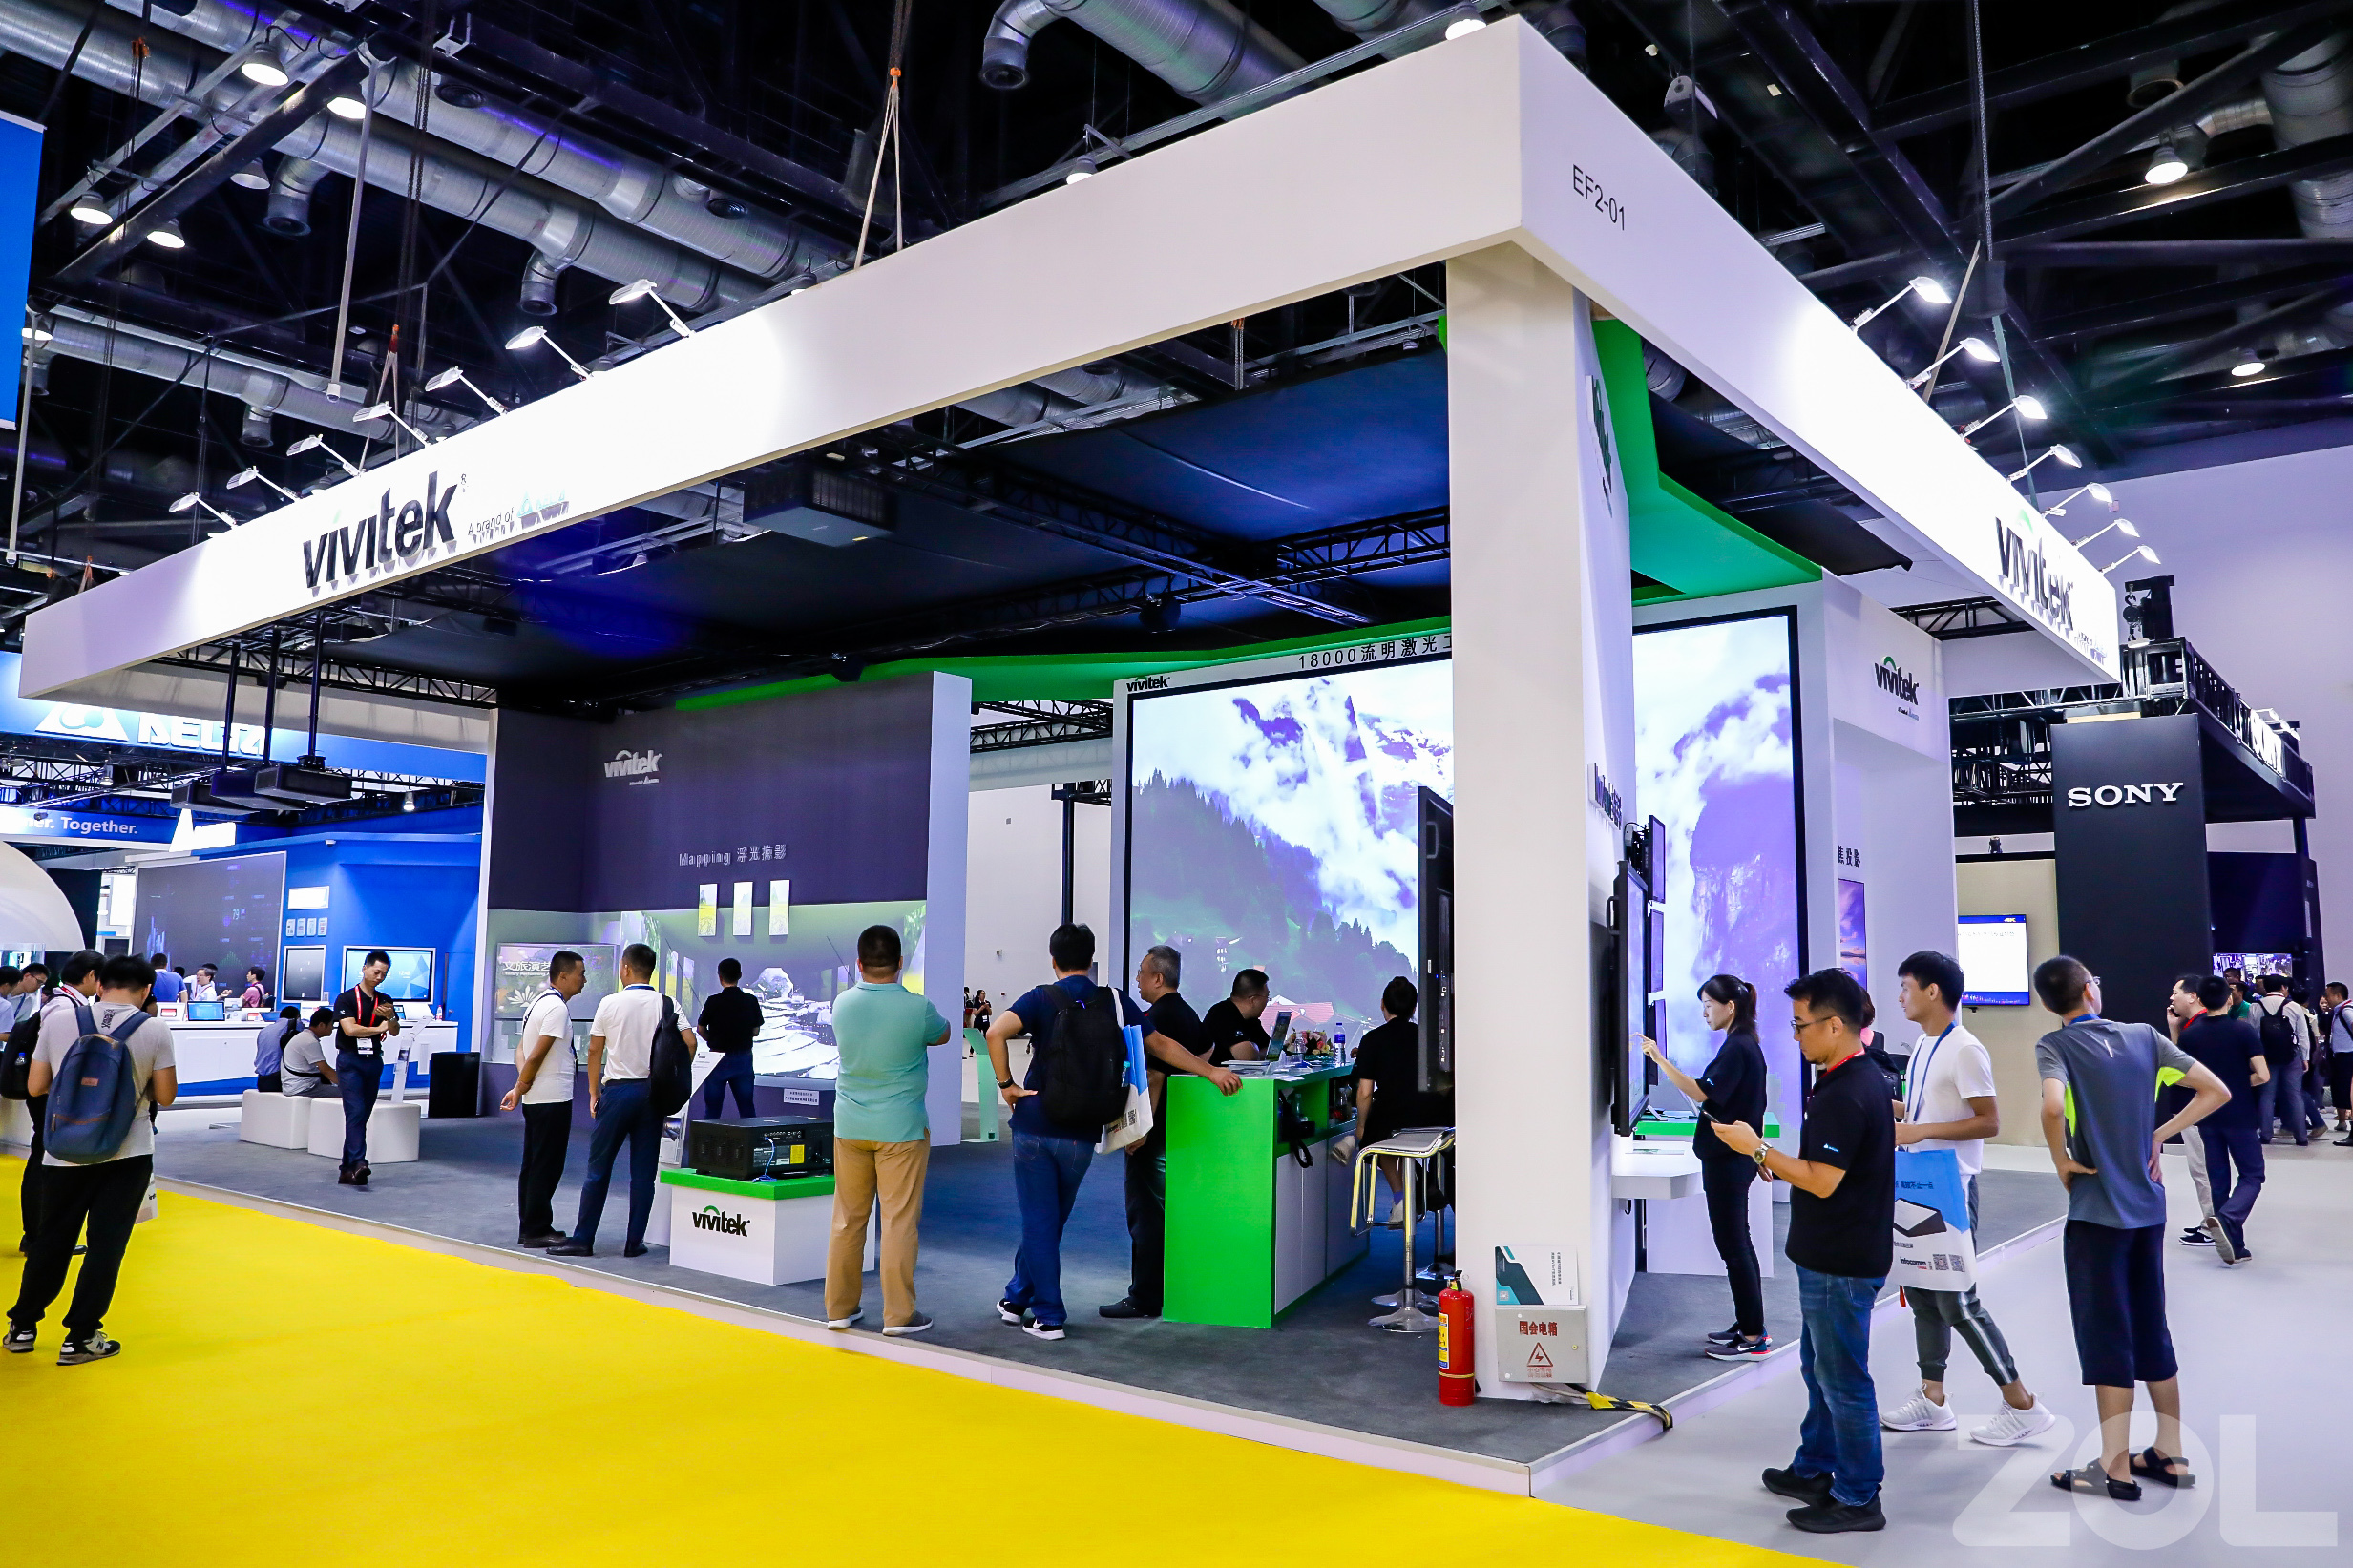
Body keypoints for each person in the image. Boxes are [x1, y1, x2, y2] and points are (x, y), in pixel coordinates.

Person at [2033, 956, 2230, 1500]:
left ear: (2050, 1004)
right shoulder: (2145, 1036)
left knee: (2107, 1336)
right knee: (2150, 1325)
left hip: (2096, 1213)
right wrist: (2158, 1134)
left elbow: (2052, 1107)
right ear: (2089, 990)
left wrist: (2061, 1161)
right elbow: (2216, 1090)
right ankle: (2170, 1451)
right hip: (2148, 1209)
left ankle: (2114, 1467)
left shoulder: (2055, 1046)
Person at [1712, 968, 1895, 1537]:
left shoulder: (1849, 1091)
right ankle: (1816, 1466)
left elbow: (1822, 1180)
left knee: (1843, 1380)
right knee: (1820, 1369)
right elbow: (1822, 1169)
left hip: (1842, 1260)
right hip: (1831, 1253)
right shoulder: (1848, 1080)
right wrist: (1776, 1162)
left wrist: (1757, 1149)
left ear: (1835, 1025)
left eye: (1801, 1025)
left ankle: (1859, 1495)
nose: (1795, 1036)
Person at [1875, 951, 2055, 1445]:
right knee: (1923, 1295)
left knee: (1958, 1301)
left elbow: (1988, 1121)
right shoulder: (1923, 1045)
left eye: (1906, 987)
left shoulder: (1966, 1049)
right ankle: (1932, 1399)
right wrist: (1886, 1108)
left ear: (1933, 991)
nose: (1900, 997)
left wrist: (1917, 1129)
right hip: (1918, 1184)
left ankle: (2023, 1403)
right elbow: (1926, 1110)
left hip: (1951, 1187)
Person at [4, 953, 177, 1366]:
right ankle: (80, 1337)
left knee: (52, 1239)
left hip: (64, 1151)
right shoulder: (154, 1029)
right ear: (146, 990)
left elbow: (36, 1085)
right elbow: (166, 1096)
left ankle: (22, 1327)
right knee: (106, 1246)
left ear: (99, 985)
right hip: (127, 1152)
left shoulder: (59, 1020)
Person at [983, 922, 1141, 1341]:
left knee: (1039, 1221)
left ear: (1053, 960)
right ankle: (1017, 1296)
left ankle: (1049, 1314)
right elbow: (1156, 1045)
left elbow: (995, 1032)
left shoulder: (1041, 998)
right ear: (1091, 960)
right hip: (1083, 1133)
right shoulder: (1114, 1001)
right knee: (1049, 1220)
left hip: (1036, 1123)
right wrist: (1209, 1071)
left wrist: (1007, 1085)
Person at [824, 924, 954, 1335]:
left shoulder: (842, 1004)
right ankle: (898, 1315)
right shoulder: (919, 1008)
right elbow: (945, 1034)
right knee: (898, 1221)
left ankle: (839, 1308)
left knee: (847, 1220)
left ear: (859, 964)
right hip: (901, 1128)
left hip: (850, 1125)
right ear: (900, 963)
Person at [1104, 943, 1241, 1320]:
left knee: (1145, 1213)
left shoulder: (1158, 1018)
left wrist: (1140, 1129)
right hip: (1181, 1129)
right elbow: (1206, 1054)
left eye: (1142, 972)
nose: (1137, 979)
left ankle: (1144, 1297)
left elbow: (1155, 1075)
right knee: (1167, 1213)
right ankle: (1166, 1289)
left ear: (1158, 978)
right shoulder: (1188, 1013)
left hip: (1155, 1133)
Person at [1643, 973, 1768, 1361]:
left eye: (1709, 1005)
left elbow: (1701, 1091)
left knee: (1734, 1246)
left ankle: (1753, 1334)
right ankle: (1747, 1324)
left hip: (1729, 1160)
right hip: (1733, 1158)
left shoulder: (1738, 1047)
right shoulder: (1743, 1043)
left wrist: (1659, 1059)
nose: (1704, 1013)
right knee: (1737, 1244)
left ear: (1730, 1007)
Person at [551, 943, 693, 1258]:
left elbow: (594, 1050)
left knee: (598, 1168)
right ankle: (634, 1242)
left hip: (617, 1093)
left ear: (626, 968)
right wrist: (673, 1079)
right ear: (650, 969)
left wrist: (593, 1091)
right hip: (653, 1094)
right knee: (643, 1174)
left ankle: (583, 1239)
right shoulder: (668, 1004)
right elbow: (690, 1042)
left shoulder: (610, 1003)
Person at [15, 951, 103, 1256]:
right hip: (51, 1095)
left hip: (50, 1094)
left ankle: (39, 1235)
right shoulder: (64, 1007)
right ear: (90, 975)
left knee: (45, 1160)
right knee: (45, 1164)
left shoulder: (64, 1003)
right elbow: (56, 1057)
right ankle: (37, 1236)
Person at [2174, 972, 2267, 1263]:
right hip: (2240, 1113)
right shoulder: (2242, 1031)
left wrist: (2210, 1087)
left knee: (2217, 1179)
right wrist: (2237, 1083)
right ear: (2228, 998)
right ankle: (2228, 1219)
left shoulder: (2190, 1034)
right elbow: (2263, 1074)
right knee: (2252, 1174)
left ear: (2200, 1000)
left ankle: (2234, 1246)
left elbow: (2179, 1076)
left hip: (2207, 1114)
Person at [500, 950, 585, 1248]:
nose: (584, 980)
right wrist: (522, 1086)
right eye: (580, 974)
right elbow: (537, 1053)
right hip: (551, 1098)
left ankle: (530, 1226)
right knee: (546, 1165)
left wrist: (522, 1086)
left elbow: (522, 1050)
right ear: (563, 975)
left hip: (539, 1096)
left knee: (534, 1163)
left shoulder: (537, 1003)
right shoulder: (555, 1008)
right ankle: (537, 1229)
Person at [1353, 976, 1452, 1223]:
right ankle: (1426, 1182)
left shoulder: (1373, 1039)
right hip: (1439, 1121)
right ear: (1414, 1007)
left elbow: (1364, 1092)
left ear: (1382, 1004)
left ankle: (1401, 1198)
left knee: (1375, 1134)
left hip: (1395, 1121)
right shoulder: (1431, 1038)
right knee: (1388, 1129)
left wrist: (1361, 1127)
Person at [2163, 977, 2226, 1256]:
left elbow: (2185, 1072)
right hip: (2197, 1110)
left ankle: (2214, 1227)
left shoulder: (2199, 1030)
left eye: (2175, 992)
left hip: (2197, 1111)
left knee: (2203, 1170)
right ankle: (2211, 1222)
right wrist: (2174, 1029)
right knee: (2203, 1169)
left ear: (2192, 996)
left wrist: (2170, 1076)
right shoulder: (2193, 1027)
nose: (2171, 998)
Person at [332, 950, 403, 1186]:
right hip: (350, 1060)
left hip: (373, 1060)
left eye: (384, 974)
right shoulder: (346, 999)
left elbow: (395, 1031)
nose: (379, 977)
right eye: (376, 972)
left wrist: (390, 1018)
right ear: (364, 968)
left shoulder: (385, 1000)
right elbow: (350, 1029)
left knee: (362, 1114)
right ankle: (359, 1162)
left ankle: (347, 1170)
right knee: (355, 1111)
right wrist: (379, 1028)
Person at [695, 957, 762, 1118]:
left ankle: (709, 1136)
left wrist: (712, 1040)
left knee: (712, 1111)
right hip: (743, 1059)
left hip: (716, 1059)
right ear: (740, 975)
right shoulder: (751, 1000)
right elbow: (756, 1031)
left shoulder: (713, 1001)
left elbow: (700, 1029)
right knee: (747, 1109)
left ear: (720, 977)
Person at [2250, 974, 2311, 1147]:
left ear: (2265, 988)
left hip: (2265, 1057)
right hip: (2291, 1055)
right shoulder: (2293, 1006)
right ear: (2284, 987)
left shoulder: (2255, 1007)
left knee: (2266, 1095)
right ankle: (2301, 1136)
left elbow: (2252, 1034)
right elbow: (2302, 1035)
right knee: (2294, 1095)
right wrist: (2305, 1058)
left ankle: (2265, 1135)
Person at [1201, 969, 1273, 1063]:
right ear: (1253, 1000)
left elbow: (1271, 1049)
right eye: (1267, 997)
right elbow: (1247, 1057)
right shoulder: (1222, 1014)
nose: (1267, 1001)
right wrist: (1262, 1054)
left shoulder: (1251, 1019)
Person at [279, 1009, 340, 1098]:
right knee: (349, 1094)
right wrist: (346, 1085)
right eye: (332, 1024)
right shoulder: (310, 1041)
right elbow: (325, 1070)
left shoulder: (304, 1036)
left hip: (295, 1086)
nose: (333, 1028)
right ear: (321, 1025)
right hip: (303, 1088)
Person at [2324, 981, 2353, 1143]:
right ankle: (2344, 1123)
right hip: (2342, 1057)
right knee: (2341, 1089)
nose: (2326, 999)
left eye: (2328, 995)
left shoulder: (2346, 1010)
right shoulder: (2339, 1010)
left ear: (2337, 995)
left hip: (2348, 1056)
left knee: (2348, 1091)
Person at [253, 1004, 301, 1093]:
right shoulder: (293, 1025)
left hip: (261, 1080)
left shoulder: (265, 1030)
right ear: (297, 1017)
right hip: (277, 1080)